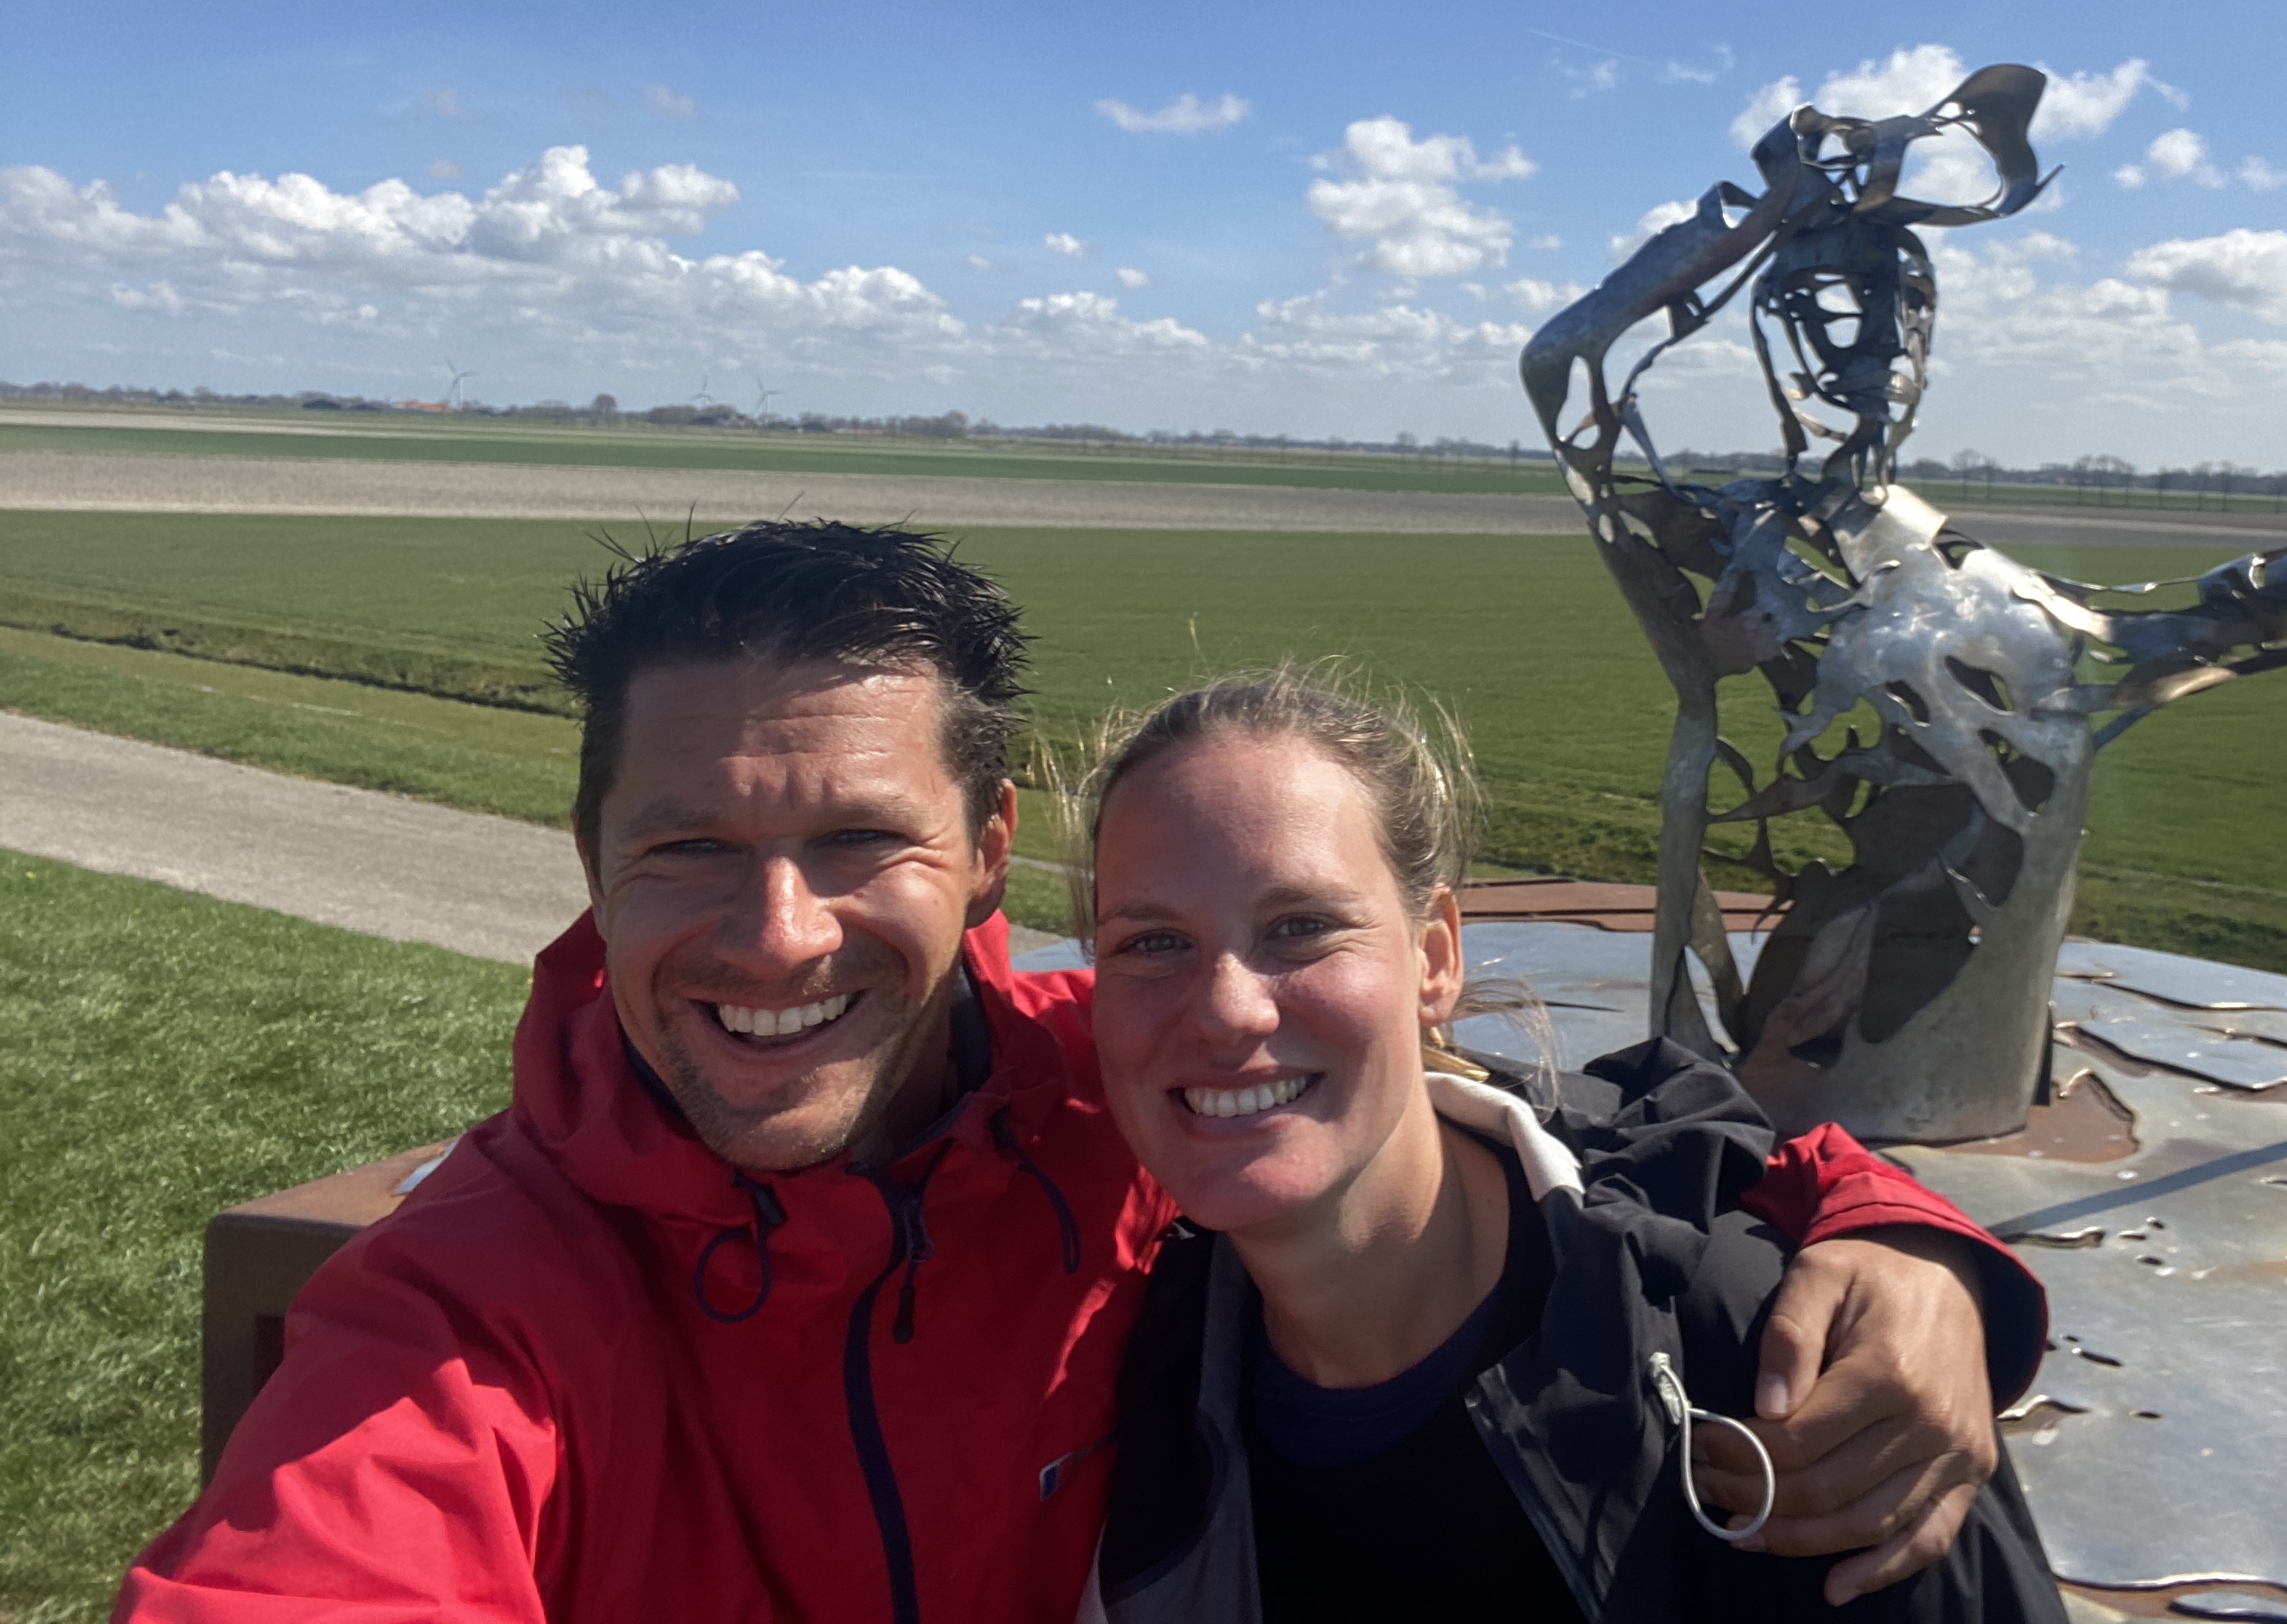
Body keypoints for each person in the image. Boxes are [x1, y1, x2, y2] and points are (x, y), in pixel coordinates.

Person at [117, 522, 2047, 1623]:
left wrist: (1911, 1241)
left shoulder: (1120, 1084)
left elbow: (1619, 1124)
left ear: (984, 858)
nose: (777, 936)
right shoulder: (472, 1307)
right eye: (688, 847)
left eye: (857, 841)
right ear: (591, 864)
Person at [1077, 670, 2066, 1623]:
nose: (1227, 1010)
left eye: (1301, 926)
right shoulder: (1147, 1378)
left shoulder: (1773, 1359)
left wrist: (1912, 1238)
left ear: (1434, 960)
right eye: (1151, 942)